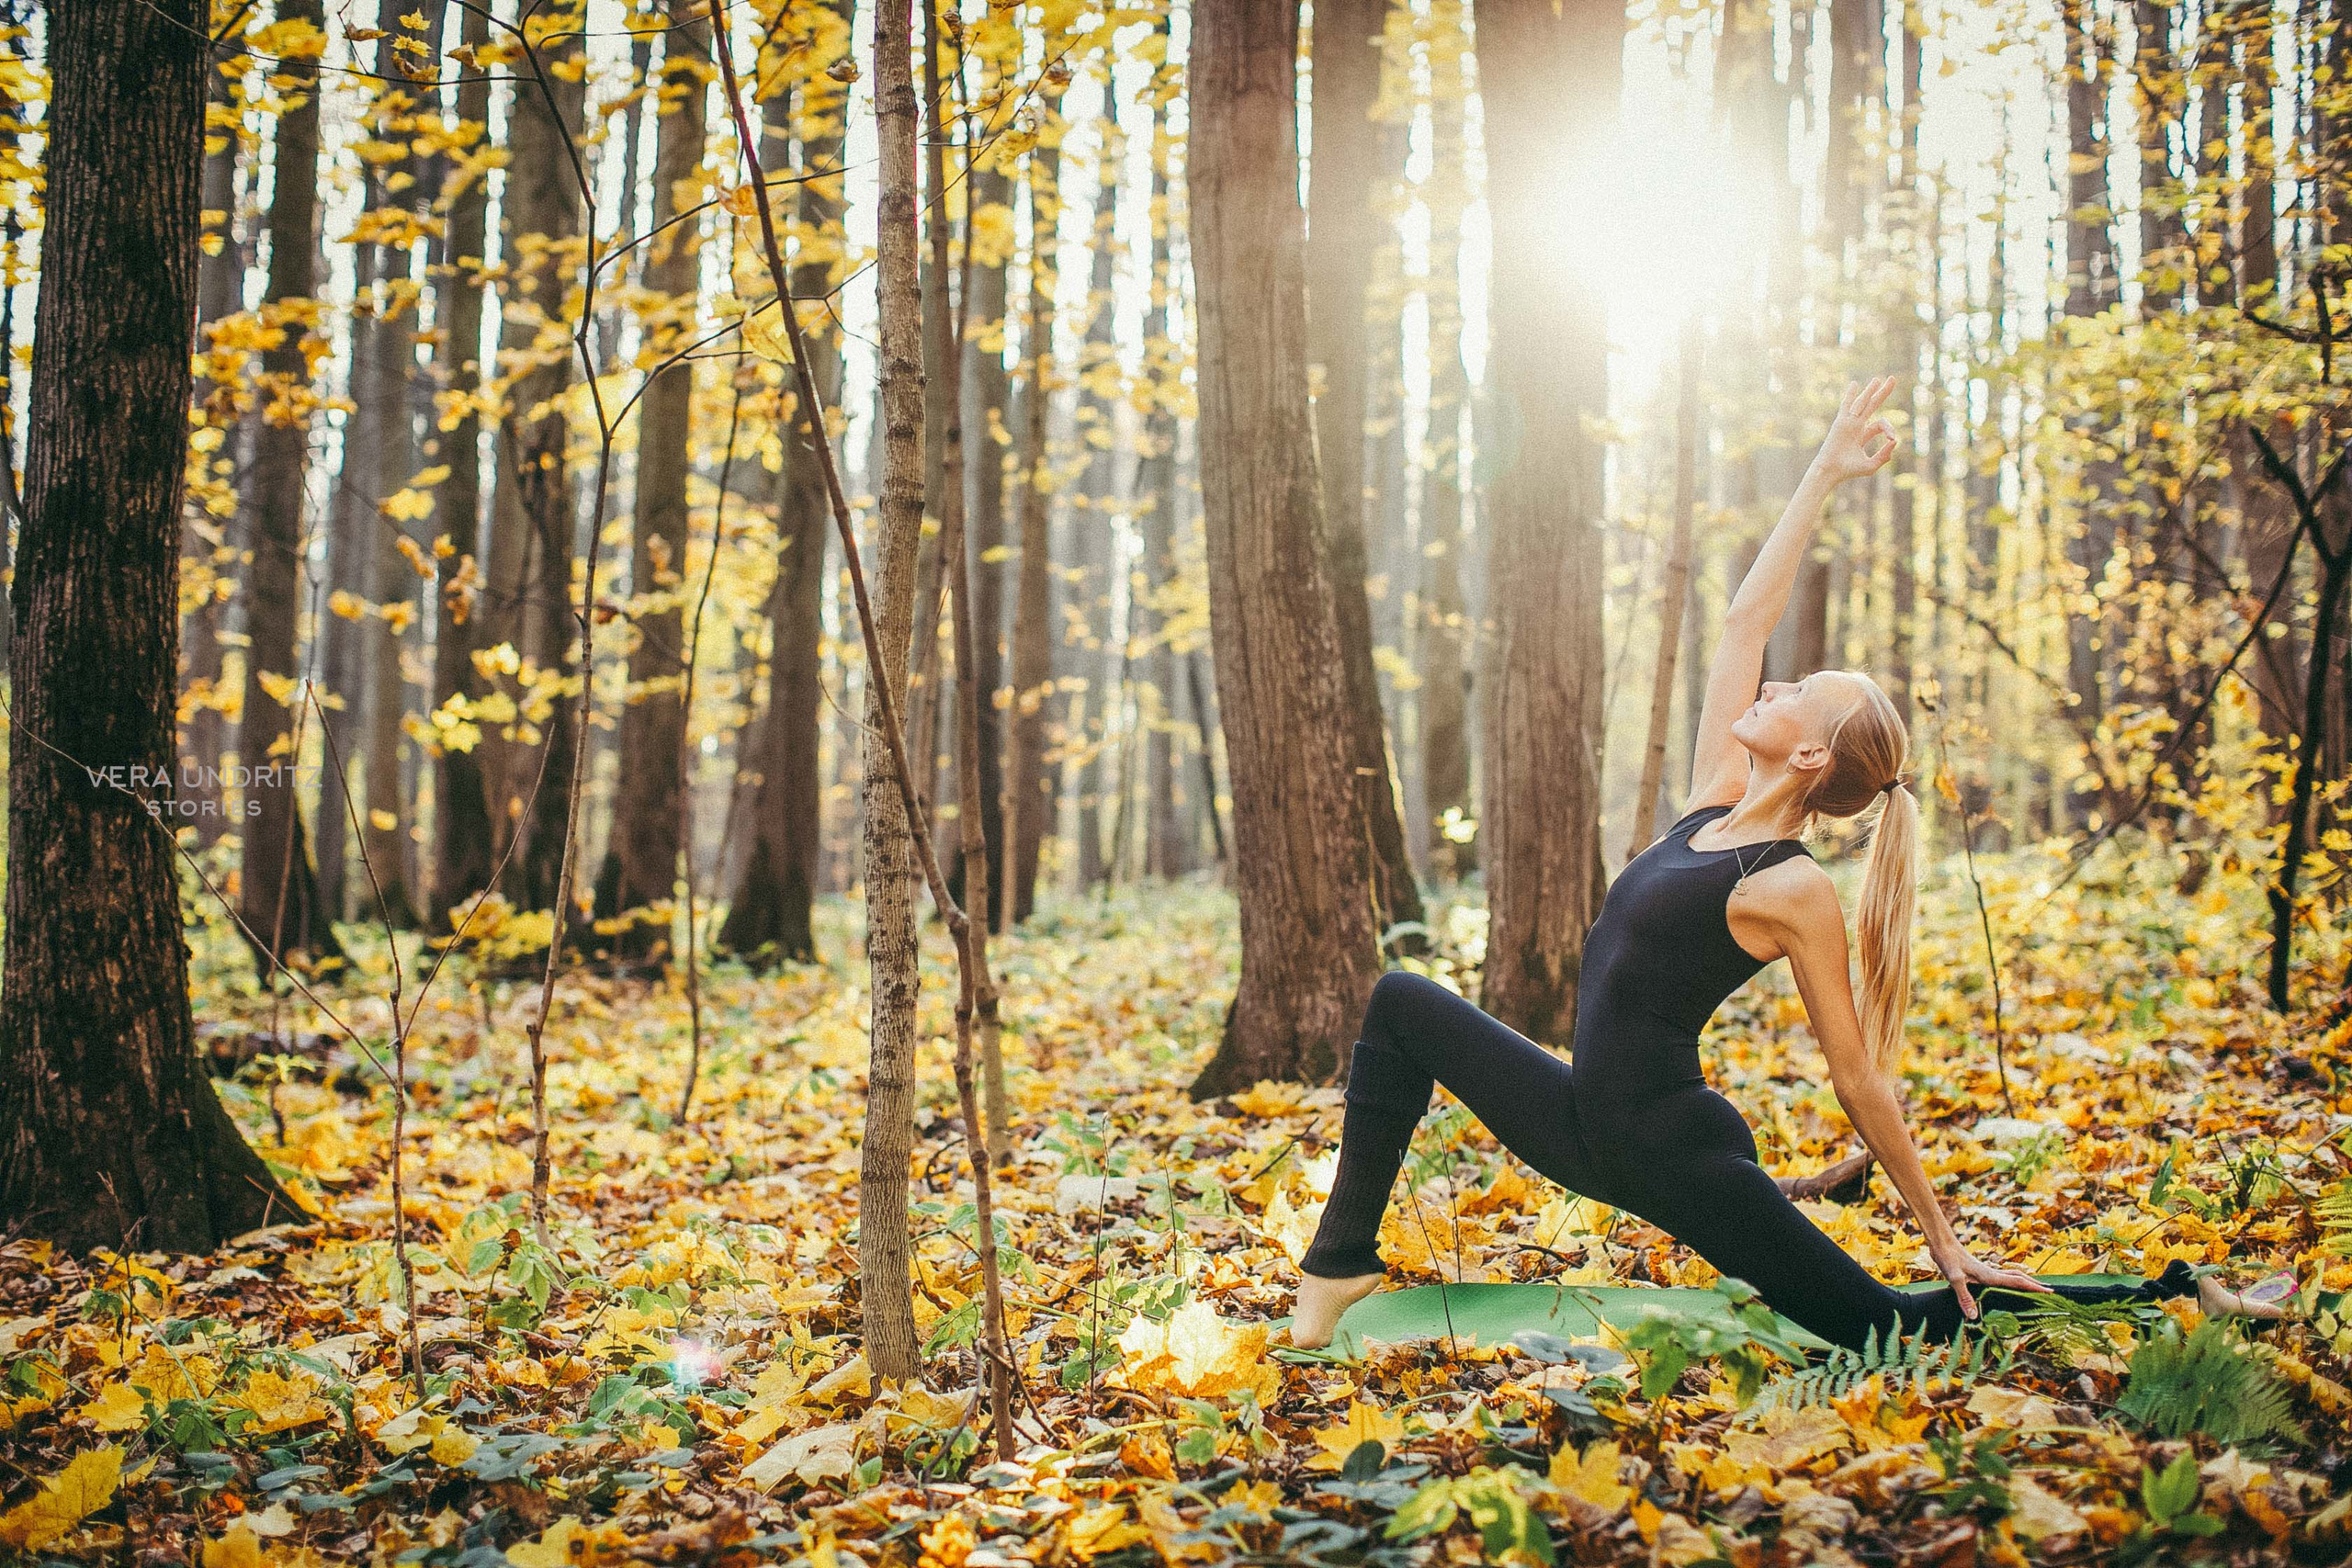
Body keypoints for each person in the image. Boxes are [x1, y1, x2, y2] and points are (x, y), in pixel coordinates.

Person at [1288, 376, 2294, 1353]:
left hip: (1671, 1155)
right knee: (1402, 1002)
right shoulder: (1711, 805)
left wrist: (1944, 1237)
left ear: (1810, 755)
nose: (1771, 681)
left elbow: (1858, 1078)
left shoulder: (1788, 886)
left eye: (1797, 691)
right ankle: (1339, 1264)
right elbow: (1742, 622)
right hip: (1586, 1117)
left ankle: (2178, 1291)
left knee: (1894, 1326)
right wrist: (1822, 472)